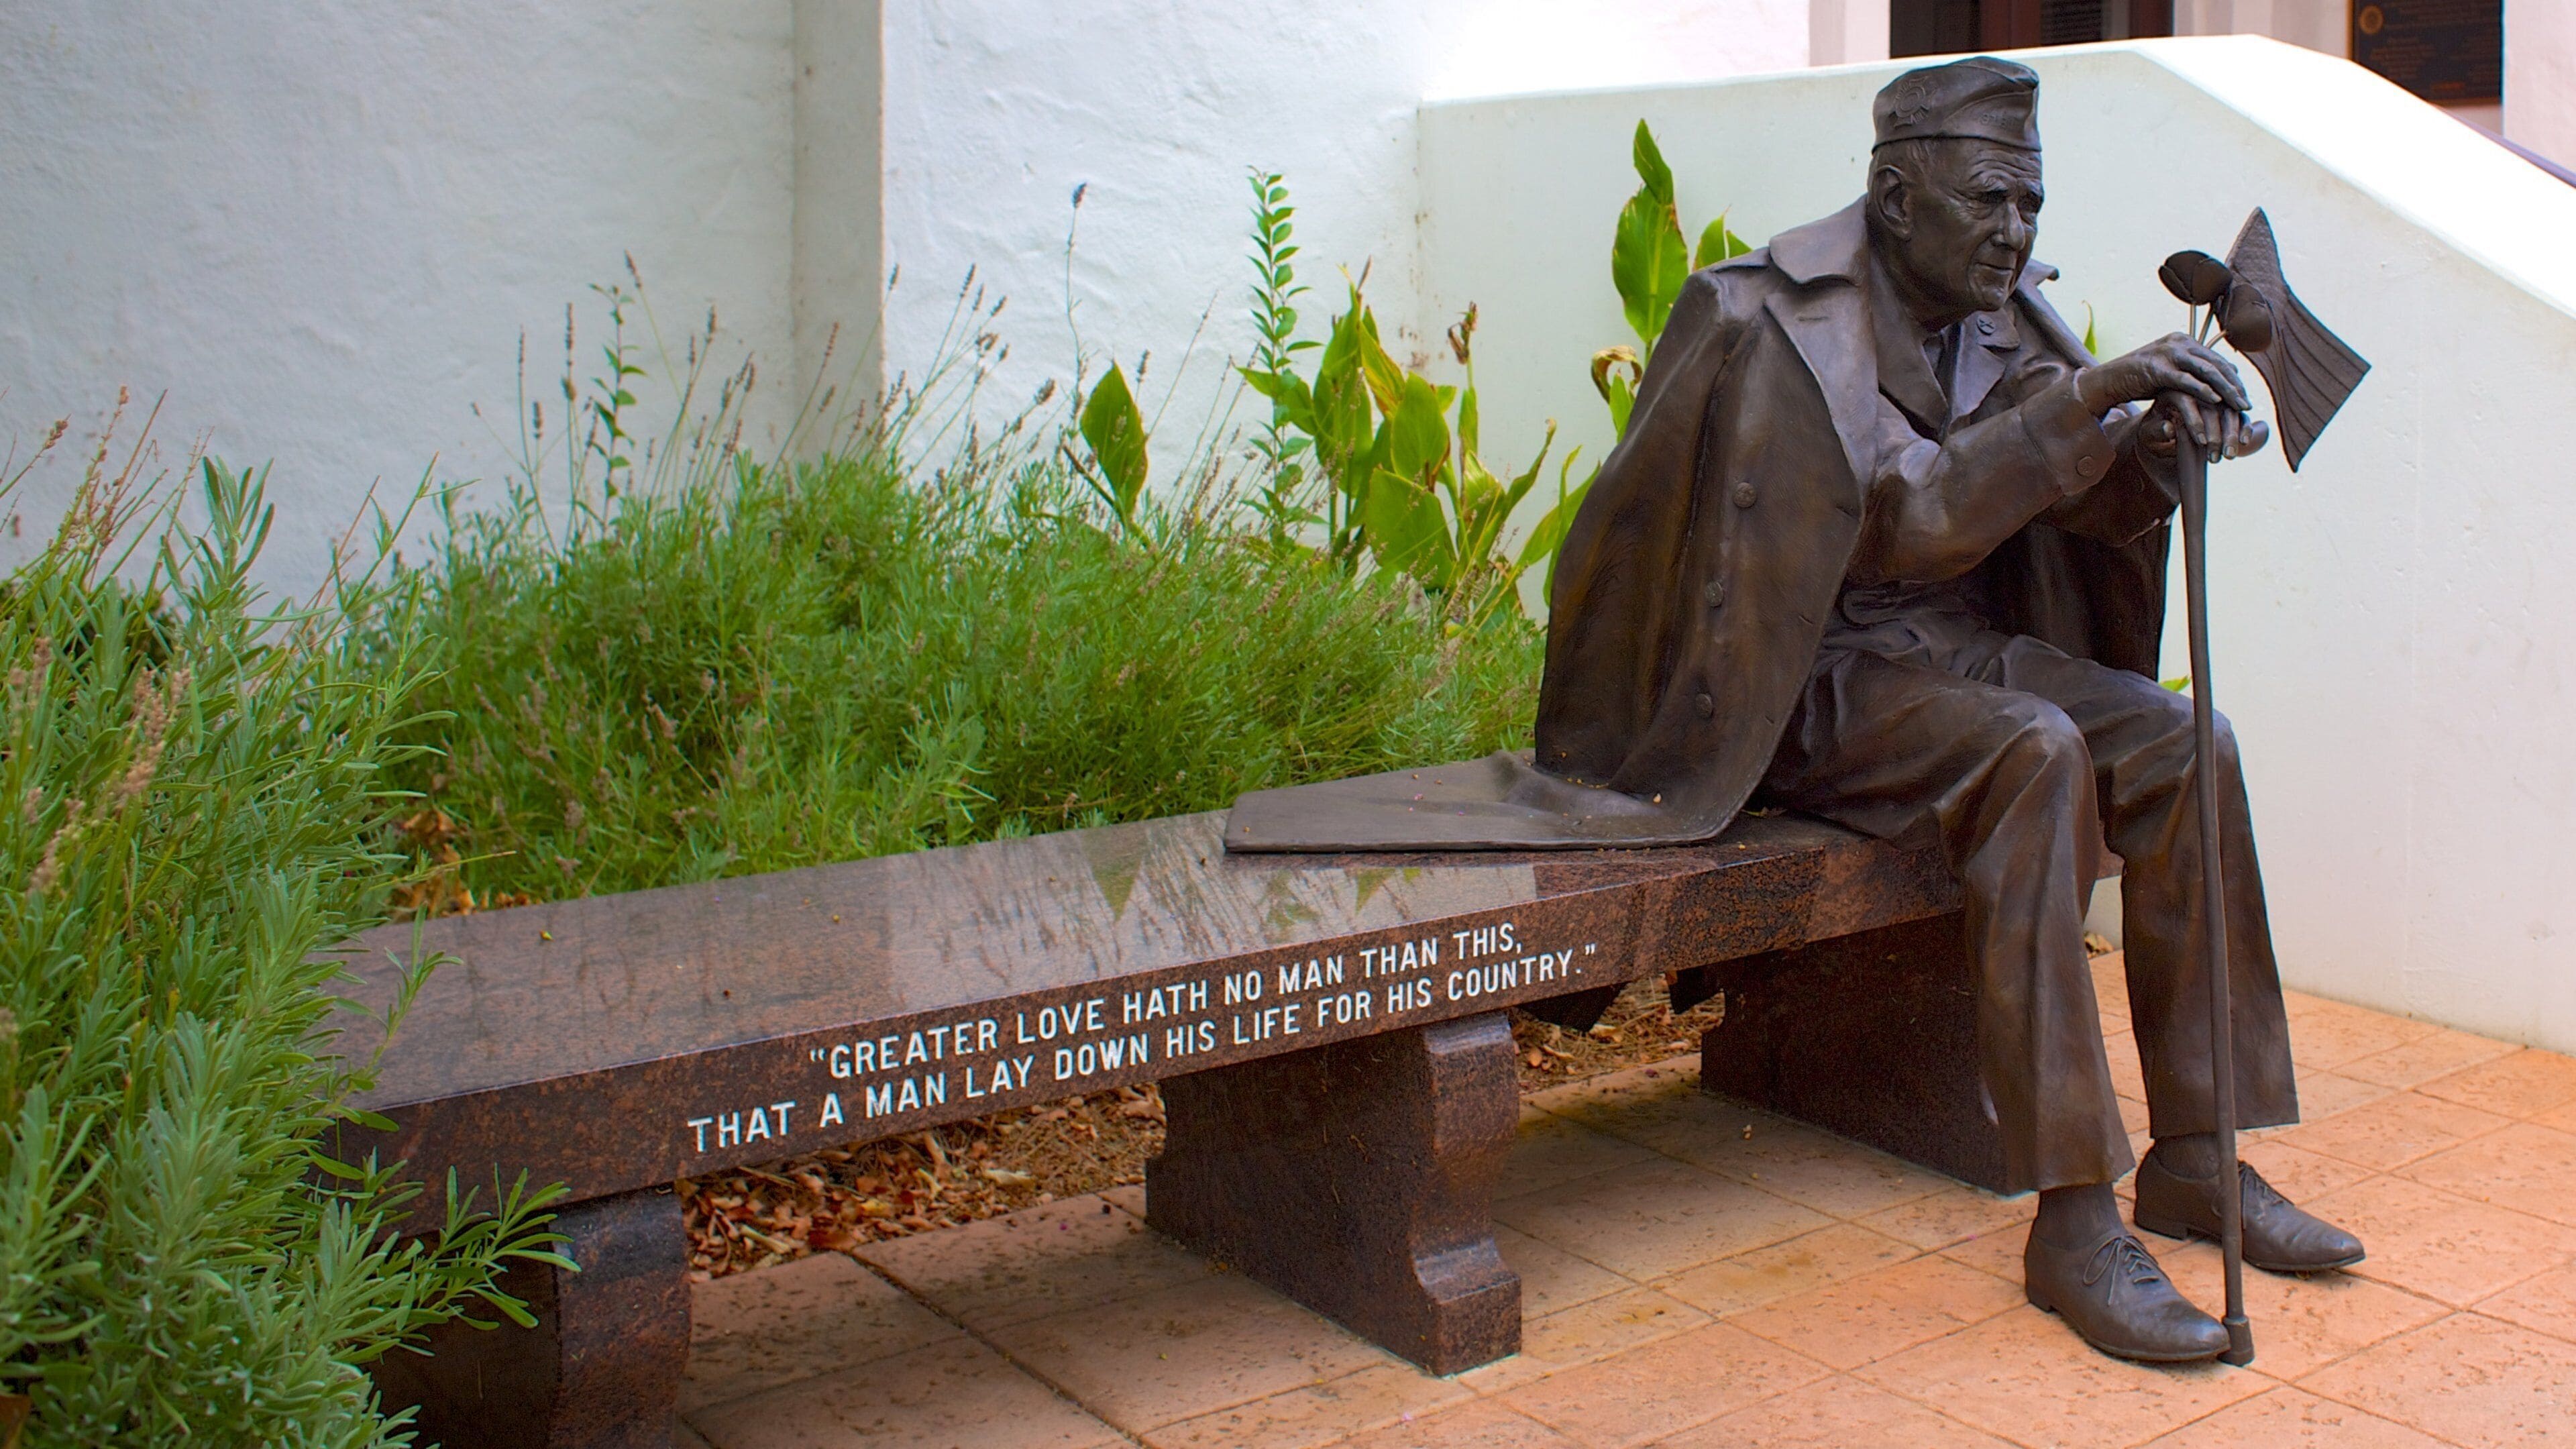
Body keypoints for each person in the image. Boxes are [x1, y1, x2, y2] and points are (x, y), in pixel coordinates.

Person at [1230, 56, 2363, 1364]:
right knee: (2035, 756)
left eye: (2031, 205)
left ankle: (2200, 1156)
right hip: (1794, 680)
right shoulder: (1775, 316)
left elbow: (2081, 506)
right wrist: (2090, 401)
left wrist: (2158, 445)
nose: (2015, 232)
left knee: (2185, 745)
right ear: (1896, 196)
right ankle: (2071, 1220)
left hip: (1956, 656)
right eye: (1990, 202)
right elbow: (1907, 515)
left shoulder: (2009, 316)